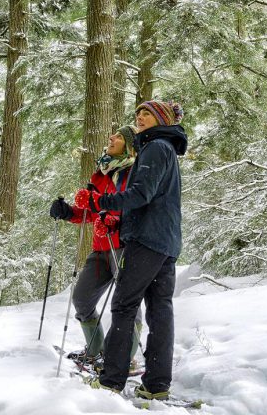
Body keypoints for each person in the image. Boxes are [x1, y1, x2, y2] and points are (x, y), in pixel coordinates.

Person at [76, 100, 187, 400]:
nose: (139, 117)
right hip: (167, 241)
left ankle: (111, 380)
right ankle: (157, 385)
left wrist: (101, 203)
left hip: (147, 239)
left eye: (147, 113)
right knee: (160, 309)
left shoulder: (155, 147)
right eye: (138, 113)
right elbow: (154, 197)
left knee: (124, 305)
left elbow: (140, 194)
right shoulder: (167, 150)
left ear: (161, 119)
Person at [49, 125, 143, 369]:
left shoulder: (135, 171)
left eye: (119, 136)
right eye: (112, 134)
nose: (111, 138)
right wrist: (69, 211)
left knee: (125, 304)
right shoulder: (100, 174)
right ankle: (96, 351)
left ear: (130, 145)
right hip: (101, 247)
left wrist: (114, 219)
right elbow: (93, 211)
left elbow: (136, 205)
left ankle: (124, 359)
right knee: (82, 298)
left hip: (124, 245)